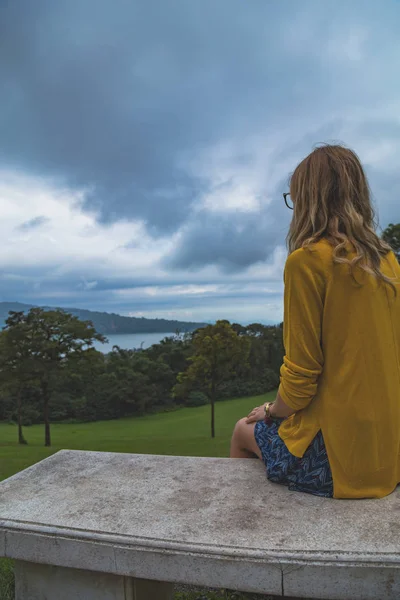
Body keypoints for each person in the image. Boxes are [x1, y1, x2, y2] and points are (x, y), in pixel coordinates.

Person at [229, 144, 400, 499]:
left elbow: (302, 374)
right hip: (389, 451)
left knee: (243, 429)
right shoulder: (387, 262)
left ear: (307, 200)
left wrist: (270, 411)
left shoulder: (307, 261)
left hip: (339, 460)